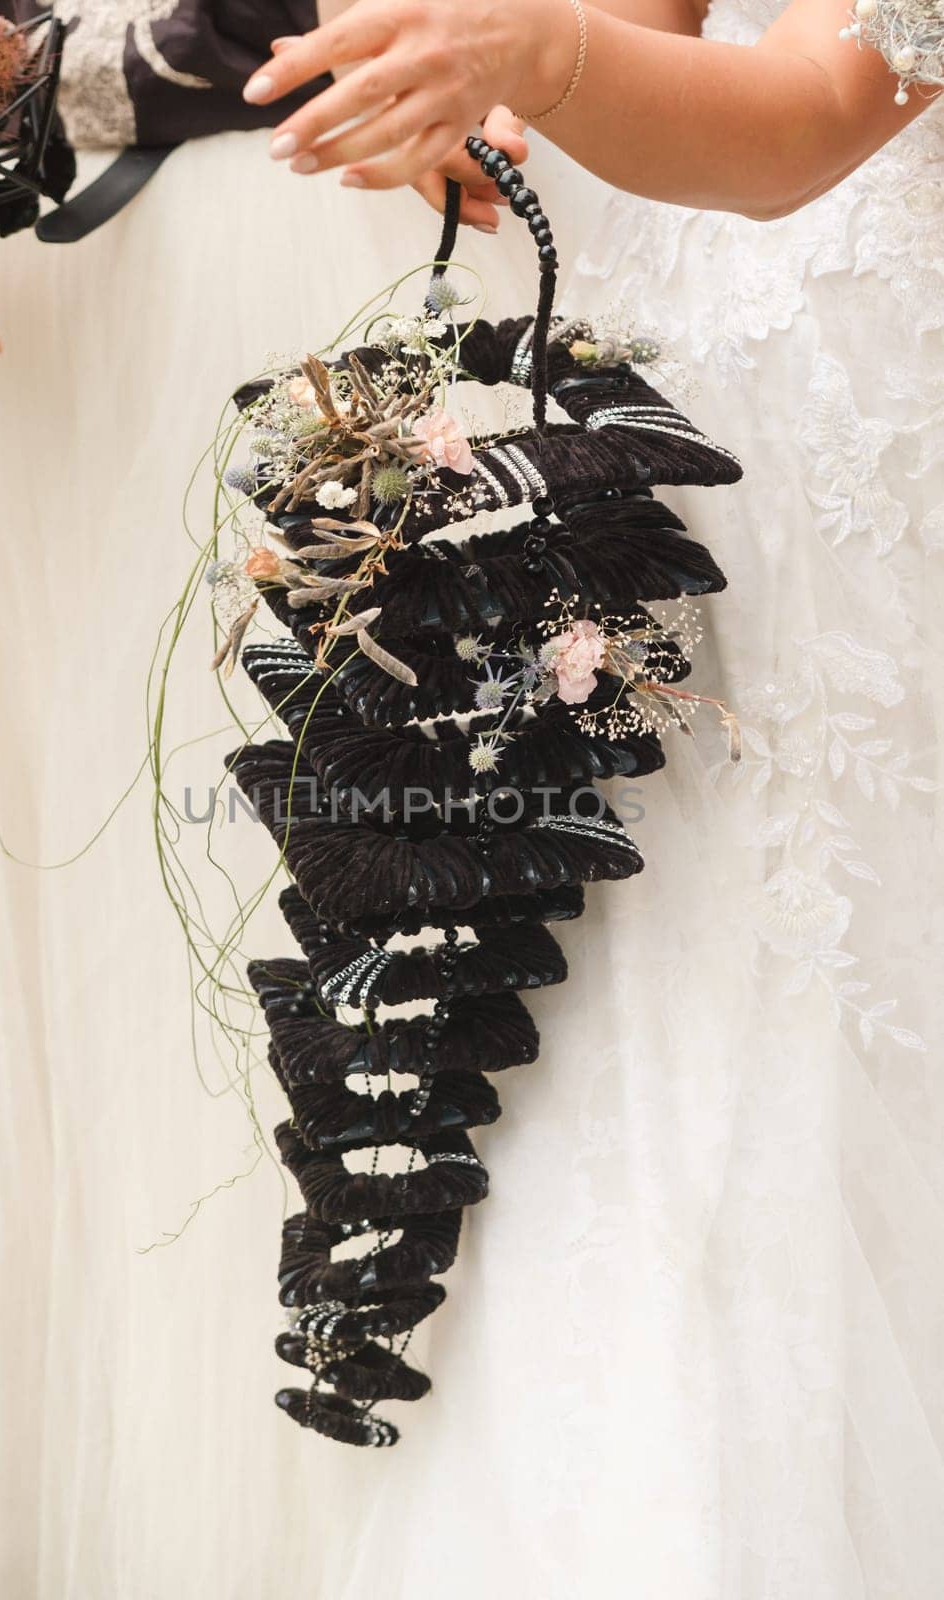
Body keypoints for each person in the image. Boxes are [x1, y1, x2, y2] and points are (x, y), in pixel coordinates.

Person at [226, 3, 944, 1597]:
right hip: (663, 423)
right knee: (615, 1050)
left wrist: (537, 55)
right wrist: (462, 79)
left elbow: (816, 118)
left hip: (862, 457)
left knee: (818, 1031)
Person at [0, 5, 587, 1594]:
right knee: (44, 928)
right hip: (36, 296)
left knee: (305, 939)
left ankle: (293, 1523)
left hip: (328, 225)